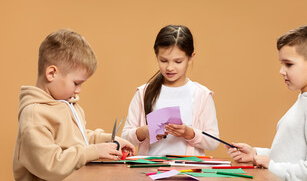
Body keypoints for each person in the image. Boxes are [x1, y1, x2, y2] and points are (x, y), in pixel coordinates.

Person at [12, 29, 135, 181]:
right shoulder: (34, 115)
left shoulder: (68, 104)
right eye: (76, 83)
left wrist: (109, 141)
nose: (79, 90)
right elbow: (51, 164)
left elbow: (79, 138)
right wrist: (93, 152)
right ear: (51, 73)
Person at [227, 25, 307, 180]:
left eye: (288, 64)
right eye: (281, 64)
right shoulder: (306, 101)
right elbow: (289, 154)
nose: (281, 71)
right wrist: (256, 153)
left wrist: (272, 166)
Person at [121, 25, 219, 156]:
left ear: (191, 57)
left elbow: (213, 141)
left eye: (178, 61)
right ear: (156, 56)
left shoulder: (202, 95)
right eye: (163, 60)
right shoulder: (143, 93)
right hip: (149, 172)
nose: (170, 68)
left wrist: (188, 133)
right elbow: (125, 138)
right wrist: (145, 131)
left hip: (188, 171)